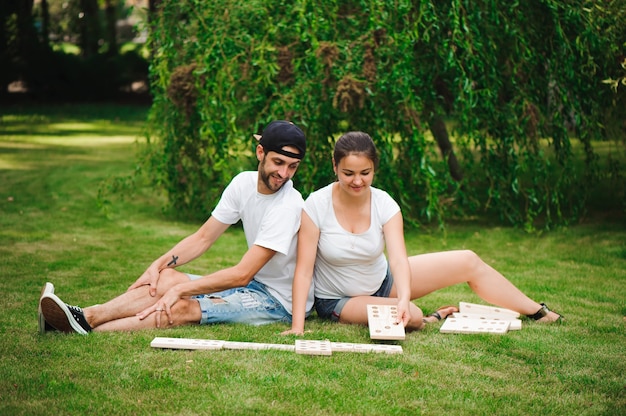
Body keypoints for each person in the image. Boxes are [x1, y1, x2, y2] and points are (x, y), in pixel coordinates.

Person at [40, 120, 315, 334]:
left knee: (182, 306)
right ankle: (85, 317)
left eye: (293, 167)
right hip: (252, 285)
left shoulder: (288, 205)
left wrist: (180, 291)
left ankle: (78, 327)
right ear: (260, 152)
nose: (284, 174)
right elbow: (204, 237)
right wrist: (158, 265)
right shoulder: (242, 183)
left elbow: (241, 274)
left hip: (277, 302)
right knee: (168, 278)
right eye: (278, 162)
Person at [283, 131, 562, 336]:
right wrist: (298, 327)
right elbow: (304, 271)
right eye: (348, 173)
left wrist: (403, 297)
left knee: (467, 260)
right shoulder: (316, 205)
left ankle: (538, 312)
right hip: (339, 299)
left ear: (374, 168)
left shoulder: (385, 204)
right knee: (413, 317)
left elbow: (400, 259)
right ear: (335, 167)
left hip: (383, 282)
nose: (357, 181)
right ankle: (430, 317)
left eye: (365, 173)